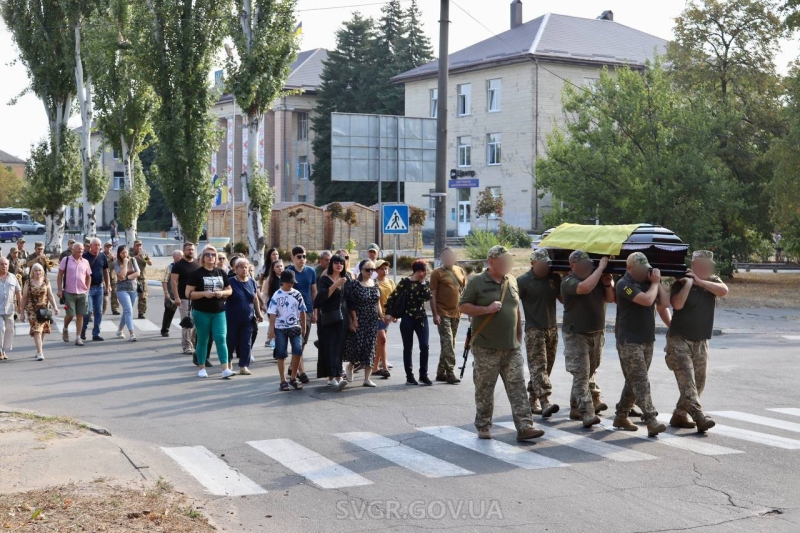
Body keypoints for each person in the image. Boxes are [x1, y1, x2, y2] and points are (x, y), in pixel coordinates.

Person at [458, 245, 545, 442]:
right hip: (486, 347)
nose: (508, 264)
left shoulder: (511, 281)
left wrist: (519, 336)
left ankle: (525, 426)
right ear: (491, 262)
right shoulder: (477, 282)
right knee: (485, 388)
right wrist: (486, 309)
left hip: (511, 346)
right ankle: (483, 425)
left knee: (517, 387)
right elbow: (462, 306)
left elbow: (515, 308)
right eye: (503, 261)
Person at [666, 250, 729, 433]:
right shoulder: (681, 280)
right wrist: (689, 283)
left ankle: (679, 414)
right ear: (694, 265)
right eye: (702, 265)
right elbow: (677, 305)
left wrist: (700, 282)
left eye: (709, 266)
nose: (707, 268)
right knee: (688, 383)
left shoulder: (713, 281)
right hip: (679, 340)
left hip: (701, 341)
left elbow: (724, 291)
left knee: (699, 382)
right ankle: (700, 417)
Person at [612, 252, 669, 437]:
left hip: (646, 338)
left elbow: (665, 303)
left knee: (634, 381)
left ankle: (621, 415)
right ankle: (651, 419)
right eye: (639, 269)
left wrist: (657, 282)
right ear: (629, 269)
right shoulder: (623, 284)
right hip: (629, 340)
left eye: (646, 269)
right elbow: (646, 301)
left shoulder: (648, 282)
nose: (643, 272)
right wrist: (654, 284)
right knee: (641, 381)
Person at [561, 250, 615, 428]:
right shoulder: (568, 281)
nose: (586, 268)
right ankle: (587, 413)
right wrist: (600, 268)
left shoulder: (596, 278)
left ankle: (575, 407)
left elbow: (610, 298)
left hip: (596, 332)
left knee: (588, 371)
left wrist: (607, 284)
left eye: (588, 265)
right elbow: (584, 288)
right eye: (582, 265)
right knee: (581, 375)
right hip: (576, 333)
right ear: (572, 266)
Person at [517, 249, 563, 418]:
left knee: (546, 367)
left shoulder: (554, 278)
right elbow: (513, 305)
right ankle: (544, 402)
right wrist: (517, 329)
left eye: (547, 263)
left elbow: (563, 298)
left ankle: (532, 400)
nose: (545, 266)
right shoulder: (523, 281)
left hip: (552, 328)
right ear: (533, 263)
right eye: (542, 263)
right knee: (538, 366)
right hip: (534, 329)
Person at [186, 245, 233, 378]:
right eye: (207, 254)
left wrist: (222, 292)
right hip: (201, 311)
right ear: (202, 257)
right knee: (203, 339)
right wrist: (204, 294)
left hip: (219, 311)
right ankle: (202, 367)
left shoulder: (221, 272)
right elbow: (188, 293)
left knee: (221, 338)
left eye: (213, 255)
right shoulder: (196, 273)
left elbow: (230, 290)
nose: (210, 257)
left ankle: (225, 369)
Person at [385, 260, 432, 386]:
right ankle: (409, 376)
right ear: (414, 271)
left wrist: (422, 283)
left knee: (424, 346)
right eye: (419, 271)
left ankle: (423, 375)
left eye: (424, 271)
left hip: (421, 318)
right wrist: (389, 313)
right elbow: (392, 297)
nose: (422, 273)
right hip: (407, 318)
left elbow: (428, 297)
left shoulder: (425, 283)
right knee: (408, 348)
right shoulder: (405, 282)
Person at [430, 247, 467, 384]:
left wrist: (468, 311)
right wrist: (435, 314)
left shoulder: (460, 270)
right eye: (445, 257)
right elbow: (432, 295)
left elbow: (464, 292)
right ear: (442, 258)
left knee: (449, 343)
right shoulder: (437, 273)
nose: (448, 259)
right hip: (442, 313)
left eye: (450, 256)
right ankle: (450, 372)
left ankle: (441, 372)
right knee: (448, 343)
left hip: (456, 313)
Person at [315, 253, 350, 390]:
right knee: (329, 346)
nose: (339, 265)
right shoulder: (324, 279)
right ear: (331, 264)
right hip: (329, 318)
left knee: (339, 346)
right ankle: (336, 377)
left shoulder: (347, 279)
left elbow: (350, 301)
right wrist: (335, 285)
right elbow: (320, 299)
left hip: (343, 318)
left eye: (341, 262)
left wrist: (354, 320)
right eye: (336, 262)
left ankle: (334, 377)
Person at [267, 270, 307, 391]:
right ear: (283, 282)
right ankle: (283, 380)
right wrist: (271, 330)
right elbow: (272, 314)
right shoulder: (277, 295)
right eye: (288, 282)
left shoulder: (297, 294)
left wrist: (304, 327)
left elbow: (302, 311)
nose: (291, 284)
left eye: (292, 282)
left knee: (297, 351)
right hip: (280, 328)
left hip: (295, 326)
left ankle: (293, 377)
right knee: (281, 354)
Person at [344, 260, 381, 387]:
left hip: (372, 320)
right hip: (359, 318)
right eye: (367, 269)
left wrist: (381, 315)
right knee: (357, 346)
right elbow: (351, 304)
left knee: (370, 348)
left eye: (373, 269)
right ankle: (350, 366)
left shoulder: (375, 283)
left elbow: (377, 302)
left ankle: (367, 378)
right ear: (361, 270)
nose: (370, 272)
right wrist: (353, 320)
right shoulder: (355, 284)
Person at [227, 258, 263, 376]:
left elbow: (255, 298)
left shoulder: (252, 282)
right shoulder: (230, 281)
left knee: (246, 342)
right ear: (235, 269)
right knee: (231, 341)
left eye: (246, 267)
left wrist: (258, 313)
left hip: (248, 318)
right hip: (232, 318)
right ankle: (228, 362)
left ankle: (243, 366)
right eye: (241, 267)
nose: (244, 269)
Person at [286, 245, 316, 383]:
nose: (302, 259)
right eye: (299, 256)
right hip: (292, 312)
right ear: (292, 257)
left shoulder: (311, 271)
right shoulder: (288, 272)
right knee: (297, 342)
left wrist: (315, 310)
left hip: (307, 310)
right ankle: (301, 372)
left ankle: (293, 367)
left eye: (304, 256)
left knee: (303, 342)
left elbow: (314, 291)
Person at [20, 263, 59, 361]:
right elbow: (24, 297)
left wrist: (55, 307)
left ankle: (39, 349)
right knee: (36, 330)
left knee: (42, 331)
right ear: (32, 272)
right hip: (32, 309)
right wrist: (21, 313)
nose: (38, 272)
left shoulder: (46, 281)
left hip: (44, 309)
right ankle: (40, 352)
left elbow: (50, 295)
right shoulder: (28, 282)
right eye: (36, 270)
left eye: (40, 270)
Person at [56, 242, 91, 347]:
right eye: (78, 249)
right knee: (70, 314)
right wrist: (59, 289)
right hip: (69, 292)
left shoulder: (85, 262)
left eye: (81, 249)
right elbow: (60, 274)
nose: (80, 251)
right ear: (73, 250)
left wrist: (87, 289)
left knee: (80, 315)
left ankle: (78, 338)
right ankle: (65, 328)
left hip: (82, 292)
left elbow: (89, 276)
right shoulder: (66, 260)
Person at [79, 238, 110, 342]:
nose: (97, 247)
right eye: (95, 245)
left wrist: (108, 285)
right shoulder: (84, 257)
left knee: (99, 311)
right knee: (88, 311)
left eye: (99, 245)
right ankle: (83, 329)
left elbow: (106, 271)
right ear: (90, 246)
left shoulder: (102, 256)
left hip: (99, 287)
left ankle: (96, 333)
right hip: (88, 288)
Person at [171, 242, 199, 355]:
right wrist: (177, 297)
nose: (190, 251)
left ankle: (193, 341)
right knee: (187, 322)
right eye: (188, 250)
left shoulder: (197, 263)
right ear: (184, 251)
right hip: (184, 298)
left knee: (197, 322)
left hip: (197, 297)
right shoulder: (178, 265)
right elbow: (173, 282)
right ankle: (186, 346)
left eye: (192, 250)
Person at [371, 260, 395, 378]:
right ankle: (384, 367)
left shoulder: (390, 282)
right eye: (381, 268)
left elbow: (394, 298)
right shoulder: (374, 283)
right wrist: (381, 315)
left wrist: (394, 314)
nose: (384, 271)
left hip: (387, 315)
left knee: (380, 342)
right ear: (376, 270)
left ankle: (375, 368)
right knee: (382, 339)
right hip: (377, 315)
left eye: (386, 268)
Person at [114, 245, 140, 341]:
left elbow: (138, 273)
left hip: (133, 289)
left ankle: (120, 330)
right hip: (122, 290)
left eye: (126, 252)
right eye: (122, 253)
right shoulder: (116, 263)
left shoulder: (133, 260)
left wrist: (128, 278)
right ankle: (132, 333)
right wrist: (125, 264)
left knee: (127, 311)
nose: (124, 254)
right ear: (119, 254)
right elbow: (121, 275)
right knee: (128, 310)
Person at [0, 258, 22, 360]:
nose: (3, 266)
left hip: (9, 309)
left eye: (5, 264)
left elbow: (18, 292)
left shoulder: (13, 277)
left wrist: (20, 305)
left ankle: (4, 350)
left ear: (8, 266)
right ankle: (0, 351)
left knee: (10, 330)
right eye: (1, 264)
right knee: (1, 329)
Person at [161, 250, 183, 337]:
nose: (181, 257)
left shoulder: (184, 266)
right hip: (172, 293)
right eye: (179, 256)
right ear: (174, 257)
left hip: (183, 293)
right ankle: (165, 329)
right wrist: (166, 293)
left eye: (182, 255)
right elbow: (164, 281)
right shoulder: (170, 267)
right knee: (169, 312)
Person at [131, 240, 152, 319]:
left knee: (143, 296)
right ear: (134, 246)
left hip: (142, 278)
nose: (139, 247)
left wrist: (144, 258)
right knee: (131, 296)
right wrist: (135, 257)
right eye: (137, 245)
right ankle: (129, 311)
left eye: (140, 245)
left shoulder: (144, 254)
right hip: (132, 278)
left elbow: (150, 263)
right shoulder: (130, 254)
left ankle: (141, 312)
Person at [103, 241, 119, 315]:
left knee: (115, 294)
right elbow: (102, 264)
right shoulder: (101, 255)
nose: (109, 248)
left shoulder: (114, 256)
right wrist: (109, 259)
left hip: (113, 277)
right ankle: (102, 310)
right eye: (107, 247)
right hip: (104, 278)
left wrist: (115, 259)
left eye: (110, 247)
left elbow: (150, 263)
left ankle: (115, 309)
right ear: (104, 248)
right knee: (105, 296)